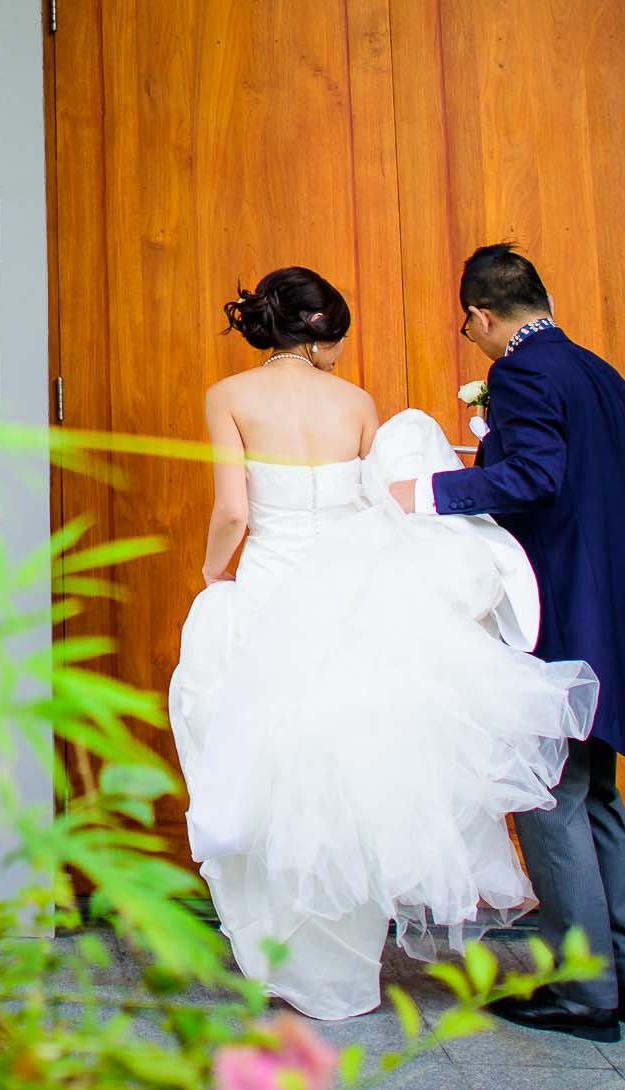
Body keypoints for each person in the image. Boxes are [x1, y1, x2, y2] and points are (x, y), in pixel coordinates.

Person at [168, 266, 597, 1023]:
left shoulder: (229, 395)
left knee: (268, 762)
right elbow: (382, 508)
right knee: (350, 769)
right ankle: (347, 969)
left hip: (270, 591)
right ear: (321, 335)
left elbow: (233, 510)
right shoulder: (358, 404)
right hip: (348, 598)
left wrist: (211, 571)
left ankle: (285, 954)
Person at [388, 244, 625, 1045]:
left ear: (480, 315)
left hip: (562, 610)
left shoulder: (521, 373)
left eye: (468, 328)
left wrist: (428, 491)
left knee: (551, 797)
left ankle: (582, 993)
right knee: (598, 794)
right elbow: (624, 481)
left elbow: (536, 477)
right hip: (617, 606)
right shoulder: (601, 374)